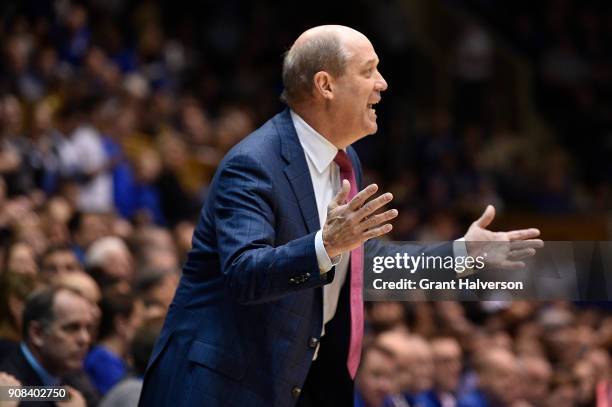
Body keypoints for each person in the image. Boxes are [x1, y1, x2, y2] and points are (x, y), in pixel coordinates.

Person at [138, 25, 541, 407]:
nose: (382, 84)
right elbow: (244, 273)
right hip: (220, 387)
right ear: (325, 85)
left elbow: (363, 263)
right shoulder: (254, 163)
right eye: (369, 71)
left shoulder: (345, 162)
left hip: (294, 381)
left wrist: (461, 253)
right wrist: (327, 244)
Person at [0, 287, 93, 406]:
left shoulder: (72, 378)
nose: (85, 339)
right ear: (37, 333)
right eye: (71, 328)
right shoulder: (7, 390)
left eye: (88, 328)